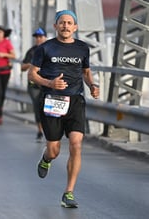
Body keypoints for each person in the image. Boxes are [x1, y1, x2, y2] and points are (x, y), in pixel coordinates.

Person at [28, 10, 99, 208]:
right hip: (52, 101)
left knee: (76, 143)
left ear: (75, 27)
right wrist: (50, 83)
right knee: (54, 150)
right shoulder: (45, 48)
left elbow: (85, 72)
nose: (66, 26)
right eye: (62, 23)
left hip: (75, 100)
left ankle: (68, 192)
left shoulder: (82, 48)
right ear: (56, 26)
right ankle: (45, 159)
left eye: (69, 23)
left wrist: (92, 85)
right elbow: (32, 75)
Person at [21, 27, 48, 141]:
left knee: (47, 108)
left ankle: (51, 131)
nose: (38, 39)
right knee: (38, 106)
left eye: (41, 37)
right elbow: (22, 67)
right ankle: (39, 131)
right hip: (34, 85)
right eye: (36, 37)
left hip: (48, 84)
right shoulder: (31, 51)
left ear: (45, 37)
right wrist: (32, 64)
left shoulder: (51, 50)